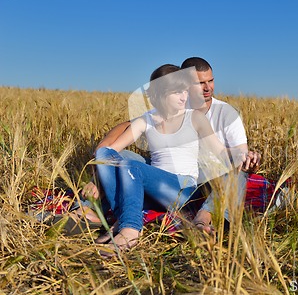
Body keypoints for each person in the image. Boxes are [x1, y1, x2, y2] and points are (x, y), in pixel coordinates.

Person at [82, 57, 261, 233]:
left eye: (211, 81)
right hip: (162, 174)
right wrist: (99, 166)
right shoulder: (172, 105)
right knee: (123, 158)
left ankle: (205, 217)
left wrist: (247, 158)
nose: (207, 88)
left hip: (205, 177)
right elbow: (126, 128)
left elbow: (232, 154)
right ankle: (84, 210)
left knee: (236, 173)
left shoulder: (223, 114)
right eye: (200, 83)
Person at [94, 64, 237, 256]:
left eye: (185, 91)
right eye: (177, 92)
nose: (184, 97)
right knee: (104, 154)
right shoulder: (146, 120)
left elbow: (220, 150)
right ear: (161, 94)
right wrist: (96, 176)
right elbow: (111, 150)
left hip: (182, 190)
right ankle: (124, 216)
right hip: (153, 191)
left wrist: (242, 155)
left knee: (132, 166)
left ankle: (130, 230)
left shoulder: (194, 117)